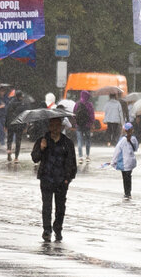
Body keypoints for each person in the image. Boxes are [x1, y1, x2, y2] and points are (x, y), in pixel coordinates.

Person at [32, 113, 77, 242]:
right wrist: (41, 148)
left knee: (60, 207)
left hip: (61, 180)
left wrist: (68, 178)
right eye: (52, 125)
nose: (55, 128)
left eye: (58, 125)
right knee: (46, 206)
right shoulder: (43, 140)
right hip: (46, 178)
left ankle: (58, 228)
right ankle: (47, 230)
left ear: (61, 126)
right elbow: (35, 158)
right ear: (49, 126)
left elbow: (72, 163)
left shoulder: (67, 143)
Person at [111, 122, 139, 199]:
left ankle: (127, 193)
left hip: (124, 162)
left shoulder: (122, 140)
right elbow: (136, 149)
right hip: (131, 162)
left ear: (124, 130)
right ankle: (129, 192)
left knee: (125, 178)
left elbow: (117, 151)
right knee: (129, 177)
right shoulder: (134, 139)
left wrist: (113, 162)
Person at [74, 91, 96, 162]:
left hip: (78, 125)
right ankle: (87, 156)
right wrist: (92, 123)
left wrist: (76, 122)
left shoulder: (77, 104)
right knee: (87, 140)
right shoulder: (89, 105)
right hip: (87, 125)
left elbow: (74, 113)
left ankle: (80, 157)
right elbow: (92, 115)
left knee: (79, 141)